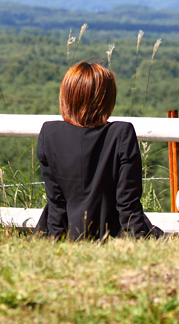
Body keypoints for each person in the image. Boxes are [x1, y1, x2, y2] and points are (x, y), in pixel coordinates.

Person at [36, 61, 163, 240]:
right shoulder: (121, 134)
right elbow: (127, 204)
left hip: (67, 230)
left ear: (67, 96)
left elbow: (56, 202)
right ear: (105, 99)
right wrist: (139, 239)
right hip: (112, 232)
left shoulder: (49, 133)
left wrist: (54, 240)